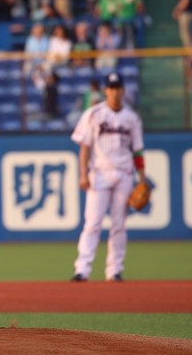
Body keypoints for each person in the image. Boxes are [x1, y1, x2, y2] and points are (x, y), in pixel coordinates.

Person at [69, 72, 146, 283]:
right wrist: (83, 174)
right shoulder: (93, 114)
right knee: (93, 223)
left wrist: (142, 178)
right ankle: (82, 269)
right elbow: (85, 146)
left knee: (119, 224)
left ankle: (114, 270)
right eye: (111, 88)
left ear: (123, 90)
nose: (114, 92)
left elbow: (138, 151)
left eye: (118, 88)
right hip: (99, 173)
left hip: (124, 173)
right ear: (105, 91)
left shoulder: (132, 118)